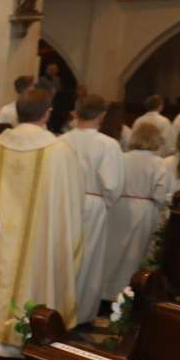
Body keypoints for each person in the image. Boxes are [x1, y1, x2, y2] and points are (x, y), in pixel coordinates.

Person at [0, 88, 85, 356]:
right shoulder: (59, 151)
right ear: (47, 113)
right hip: (39, 239)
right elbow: (70, 205)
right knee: (35, 277)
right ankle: (30, 334)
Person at [61, 95, 124, 321]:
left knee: (64, 255)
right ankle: (80, 313)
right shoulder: (108, 144)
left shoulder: (62, 140)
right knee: (88, 258)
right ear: (102, 115)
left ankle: (57, 308)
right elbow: (112, 185)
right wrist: (103, 203)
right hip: (93, 202)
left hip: (64, 201)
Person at [101, 122, 172, 303]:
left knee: (112, 252)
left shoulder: (122, 157)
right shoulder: (158, 163)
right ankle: (128, 295)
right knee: (135, 255)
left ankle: (104, 293)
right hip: (144, 210)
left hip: (118, 207)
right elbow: (160, 193)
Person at [43, 62, 75, 135]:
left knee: (56, 118)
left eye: (55, 70)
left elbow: (60, 89)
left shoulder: (57, 79)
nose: (55, 71)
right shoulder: (43, 80)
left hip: (57, 103)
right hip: (47, 101)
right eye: (53, 70)